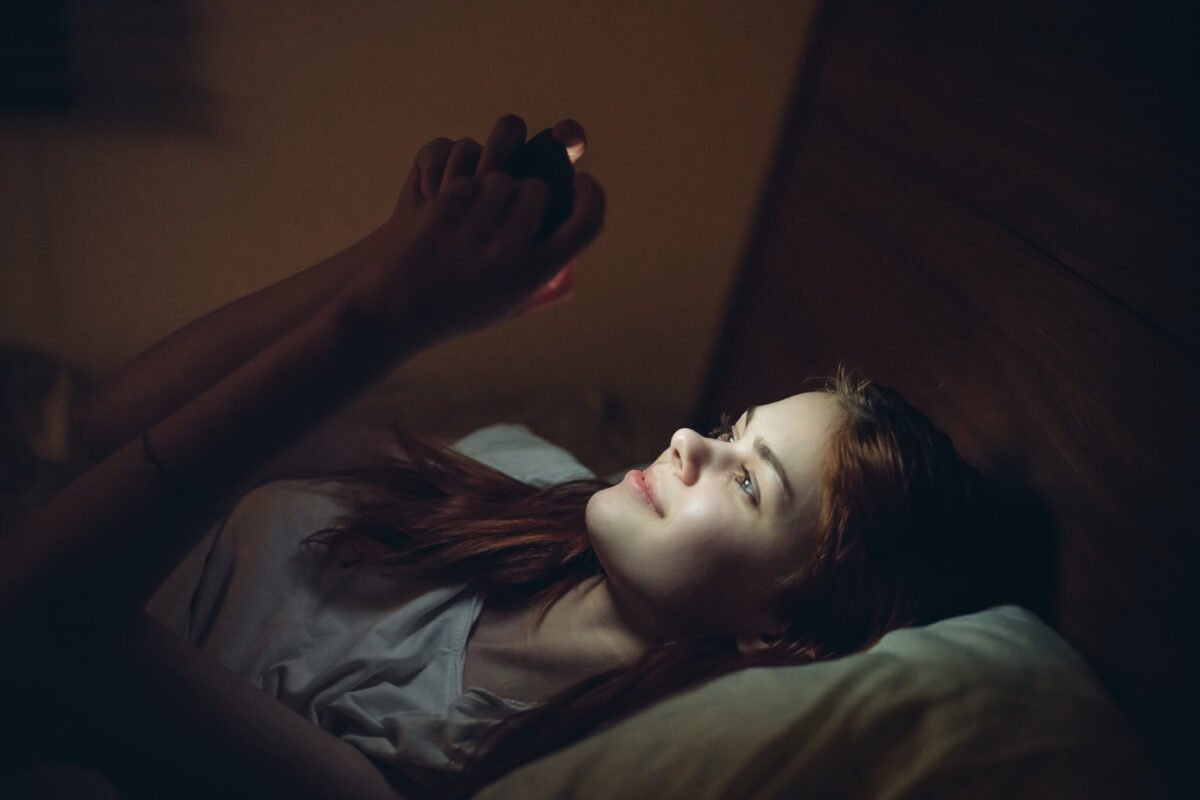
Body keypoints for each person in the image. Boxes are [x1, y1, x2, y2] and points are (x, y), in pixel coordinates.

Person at [0, 115, 986, 799]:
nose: (688, 441)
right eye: (729, 427)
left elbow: (44, 625)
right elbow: (115, 426)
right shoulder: (532, 483)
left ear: (783, 635)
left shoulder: (484, 768)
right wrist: (388, 257)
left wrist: (386, 321)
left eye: (744, 477)